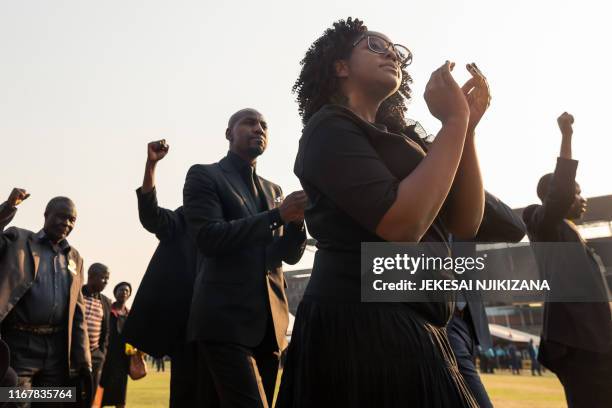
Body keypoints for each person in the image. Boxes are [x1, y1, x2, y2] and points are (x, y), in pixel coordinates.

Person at [277, 17, 488, 407]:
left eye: (396, 50)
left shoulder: (402, 138)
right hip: (359, 326)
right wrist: (454, 122)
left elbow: (465, 220)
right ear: (341, 66)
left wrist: (466, 129)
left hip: (416, 321)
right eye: (374, 44)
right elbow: (402, 223)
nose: (391, 53)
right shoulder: (327, 129)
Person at [183, 108, 308, 407]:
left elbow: (286, 257)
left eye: (264, 125)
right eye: (249, 123)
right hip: (224, 321)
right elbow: (209, 238)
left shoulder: (273, 189)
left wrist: (295, 222)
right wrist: (278, 215)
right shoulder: (205, 175)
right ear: (229, 133)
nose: (258, 129)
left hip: (269, 328)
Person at [522, 112, 612, 407]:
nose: (582, 198)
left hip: (598, 343)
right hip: (579, 345)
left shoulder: (572, 234)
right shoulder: (541, 222)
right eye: (577, 192)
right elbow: (559, 194)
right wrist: (567, 136)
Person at [123, 139, 216, 407]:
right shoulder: (183, 218)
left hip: (227, 323)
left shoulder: (233, 221)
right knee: (186, 394)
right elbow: (151, 215)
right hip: (187, 324)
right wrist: (151, 164)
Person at [0, 188, 91, 407]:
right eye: (61, 216)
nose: (66, 223)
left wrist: (84, 360)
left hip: (57, 351)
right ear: (46, 214)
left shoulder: (75, 258)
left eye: (72, 219)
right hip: (19, 345)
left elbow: (78, 312)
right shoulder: (18, 239)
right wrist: (8, 207)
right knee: (14, 402)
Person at [448, 191, 526, 408]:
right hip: (431, 322)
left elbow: (515, 228)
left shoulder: (462, 210)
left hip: (464, 323)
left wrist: (465, 180)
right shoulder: (403, 192)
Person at [100, 282, 132, 408]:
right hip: (105, 357)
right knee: (100, 393)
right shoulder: (106, 310)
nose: (124, 292)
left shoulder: (130, 315)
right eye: (121, 290)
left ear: (129, 295)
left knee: (120, 396)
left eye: (126, 291)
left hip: (122, 361)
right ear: (115, 293)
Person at [82, 263, 112, 392]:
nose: (106, 282)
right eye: (103, 277)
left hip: (95, 356)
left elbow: (106, 331)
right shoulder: (76, 294)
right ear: (91, 276)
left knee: (90, 395)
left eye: (107, 279)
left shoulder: (106, 302)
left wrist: (101, 354)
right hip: (74, 355)